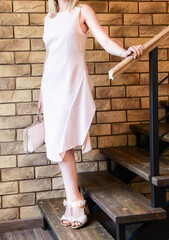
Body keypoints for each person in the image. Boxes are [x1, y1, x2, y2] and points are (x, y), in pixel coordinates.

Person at [38, 0, 143, 229]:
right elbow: (49, 57)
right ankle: (73, 203)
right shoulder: (50, 18)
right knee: (58, 146)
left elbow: (105, 41)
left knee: (62, 146)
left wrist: (125, 51)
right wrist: (41, 93)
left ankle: (75, 202)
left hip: (71, 86)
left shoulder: (82, 10)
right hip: (51, 88)